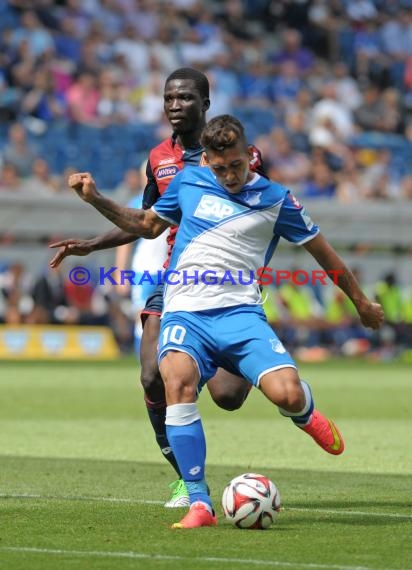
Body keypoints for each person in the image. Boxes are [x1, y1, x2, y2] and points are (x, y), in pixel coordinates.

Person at [52, 114, 384, 529]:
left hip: (241, 313)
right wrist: (95, 199)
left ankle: (305, 412)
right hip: (186, 310)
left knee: (283, 394)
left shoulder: (277, 199)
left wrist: (361, 303)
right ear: (206, 160)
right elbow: (146, 224)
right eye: (221, 167)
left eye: (237, 166)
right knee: (173, 377)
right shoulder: (188, 183)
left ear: (250, 156)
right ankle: (198, 503)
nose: (230, 175)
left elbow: (325, 254)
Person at [49, 69, 263, 508]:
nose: (174, 105)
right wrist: (90, 244)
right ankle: (187, 479)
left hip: (227, 283)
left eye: (184, 97)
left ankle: (248, 358)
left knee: (227, 396)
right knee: (150, 375)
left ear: (205, 101)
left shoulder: (235, 152)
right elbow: (146, 222)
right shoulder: (157, 159)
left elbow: (266, 212)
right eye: (168, 98)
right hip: (176, 279)